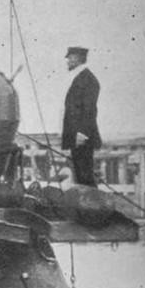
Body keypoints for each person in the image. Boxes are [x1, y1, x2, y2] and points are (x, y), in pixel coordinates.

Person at [62, 46, 102, 186]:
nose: (67, 60)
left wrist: (82, 134)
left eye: (70, 57)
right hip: (78, 136)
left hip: (82, 137)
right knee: (81, 174)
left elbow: (89, 110)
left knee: (85, 175)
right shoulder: (81, 78)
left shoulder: (87, 80)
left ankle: (91, 204)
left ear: (78, 58)